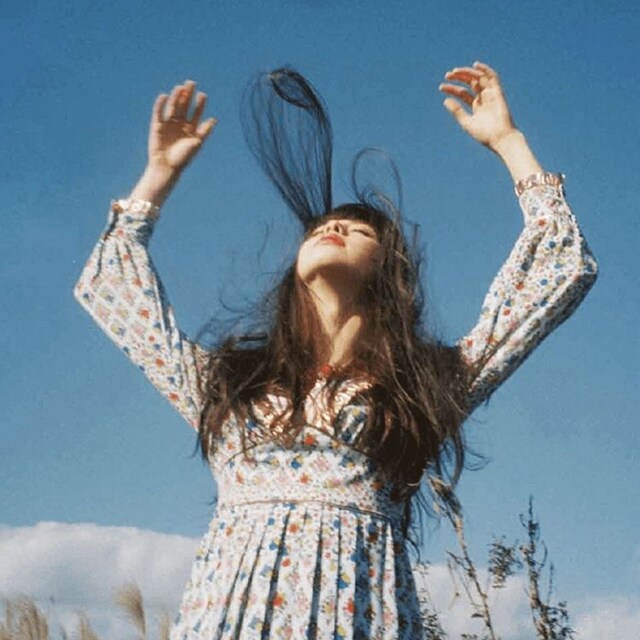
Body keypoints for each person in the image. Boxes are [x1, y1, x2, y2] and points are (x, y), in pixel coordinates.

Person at [74, 61, 597, 639]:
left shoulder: (425, 386)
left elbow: (559, 269)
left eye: (360, 229)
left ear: (389, 273)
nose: (334, 228)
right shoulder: (229, 383)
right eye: (323, 226)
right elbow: (113, 289)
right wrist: (158, 176)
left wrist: (509, 142)